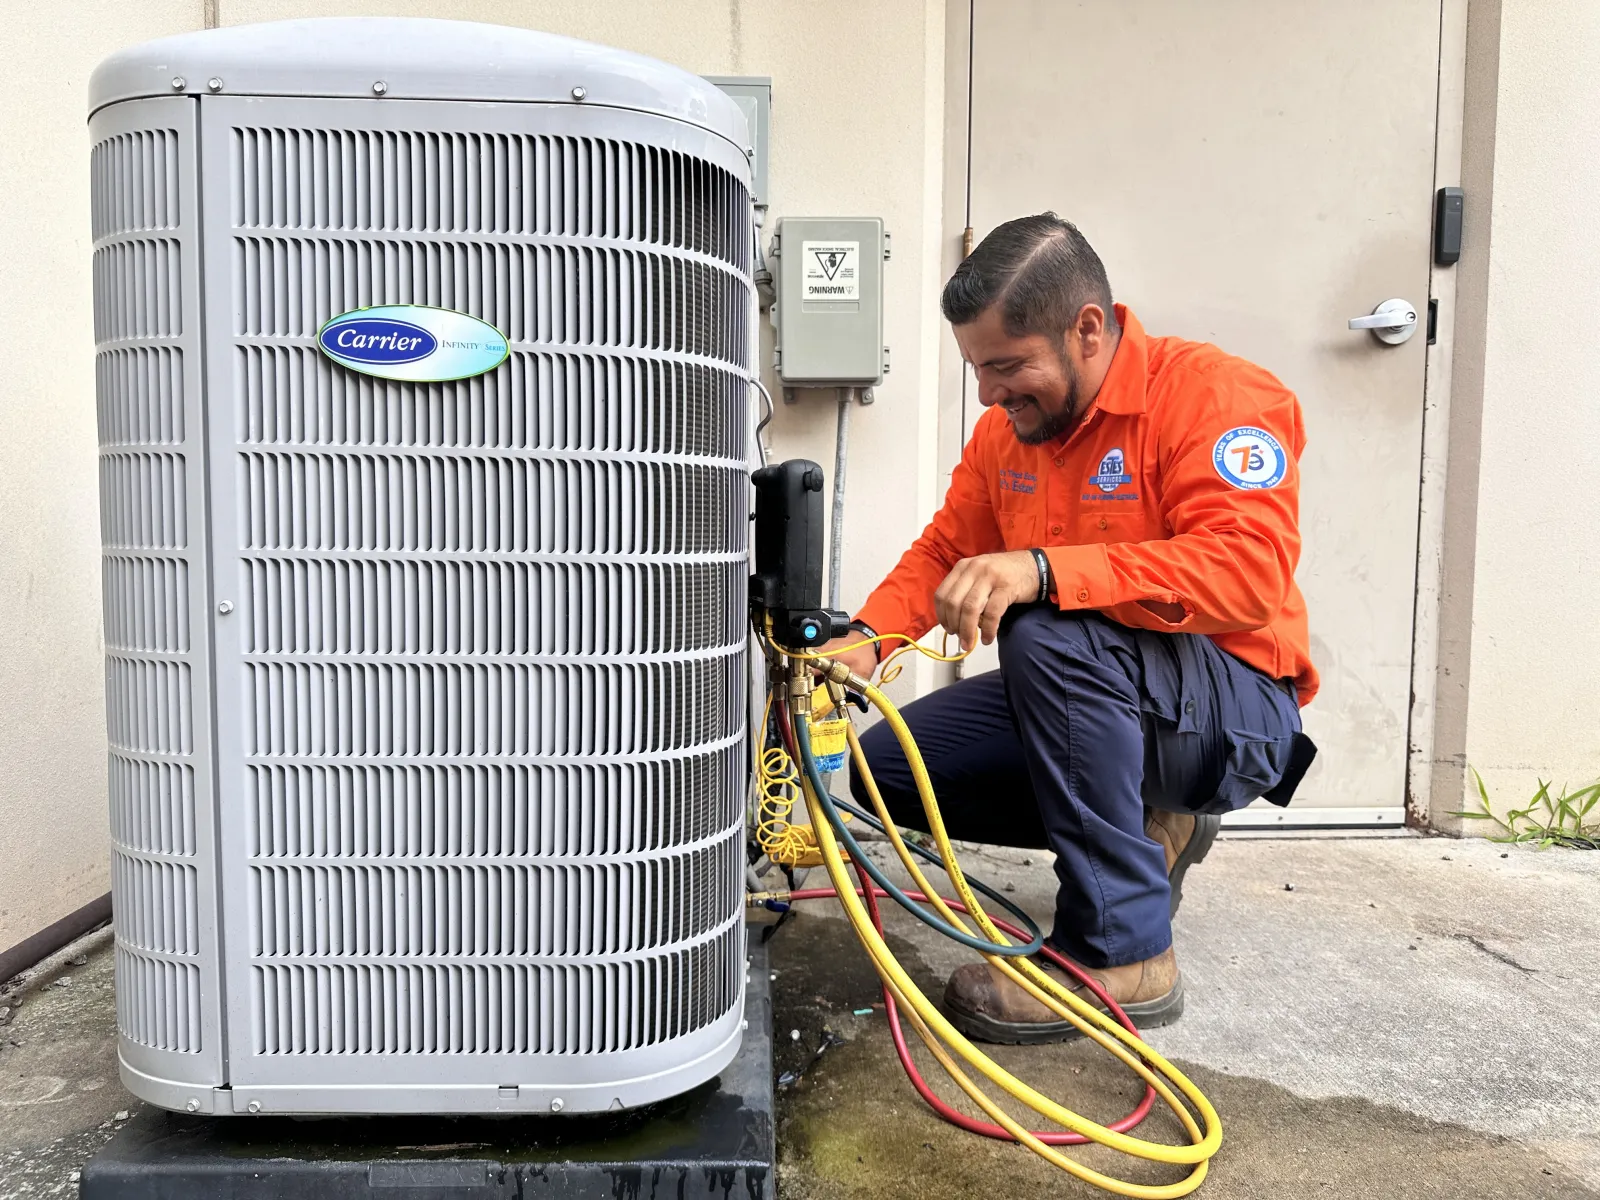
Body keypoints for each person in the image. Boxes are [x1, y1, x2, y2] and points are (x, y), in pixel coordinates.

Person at [822, 213, 1318, 1044]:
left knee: (1045, 627)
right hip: (1104, 696)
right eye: (978, 369)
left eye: (1009, 366)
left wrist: (1048, 570)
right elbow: (948, 548)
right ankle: (1152, 832)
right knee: (887, 772)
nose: (989, 394)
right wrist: (865, 642)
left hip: (1234, 712)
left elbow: (1249, 574)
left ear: (1088, 329)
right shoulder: (1007, 434)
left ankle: (1124, 952)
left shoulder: (1215, 397)